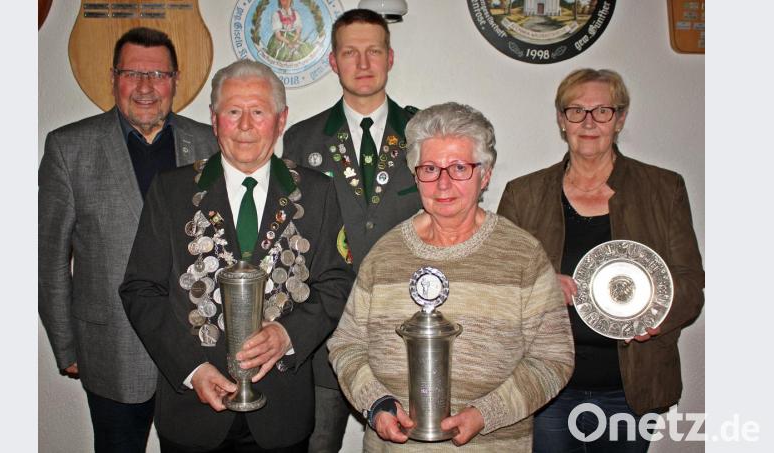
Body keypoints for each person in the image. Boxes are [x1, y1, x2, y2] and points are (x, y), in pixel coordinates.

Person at [119, 59, 354, 452]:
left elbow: (337, 283)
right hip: (194, 411)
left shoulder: (316, 193)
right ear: (214, 120)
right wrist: (192, 369)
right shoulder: (171, 191)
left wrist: (287, 335)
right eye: (233, 111)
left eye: (258, 112)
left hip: (282, 412)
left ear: (281, 121)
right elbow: (141, 289)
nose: (245, 125)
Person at [328, 102, 575, 452]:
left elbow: (554, 358)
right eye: (430, 168)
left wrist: (485, 413)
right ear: (415, 175)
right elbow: (346, 345)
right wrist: (377, 403)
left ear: (485, 175)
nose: (443, 183)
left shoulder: (523, 255)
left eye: (459, 168)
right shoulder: (385, 254)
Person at [497, 68, 705, 452]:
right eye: (575, 111)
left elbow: (690, 284)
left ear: (620, 118)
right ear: (562, 120)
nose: (588, 122)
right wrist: (540, 287)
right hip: (548, 386)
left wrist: (656, 316)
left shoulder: (664, 188)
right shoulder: (522, 194)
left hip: (629, 388)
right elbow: (497, 282)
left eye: (602, 111)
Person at [38, 27, 217, 453]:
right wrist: (66, 345)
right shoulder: (69, 148)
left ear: (175, 80)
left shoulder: (210, 144)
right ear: (113, 77)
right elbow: (49, 259)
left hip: (197, 348)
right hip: (111, 351)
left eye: (158, 75)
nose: (145, 87)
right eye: (132, 73)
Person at [282, 9, 421, 451]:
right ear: (332, 62)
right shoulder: (302, 141)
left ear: (391, 57)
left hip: (405, 338)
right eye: (350, 52)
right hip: (325, 340)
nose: (363, 64)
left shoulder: (423, 135)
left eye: (373, 51)